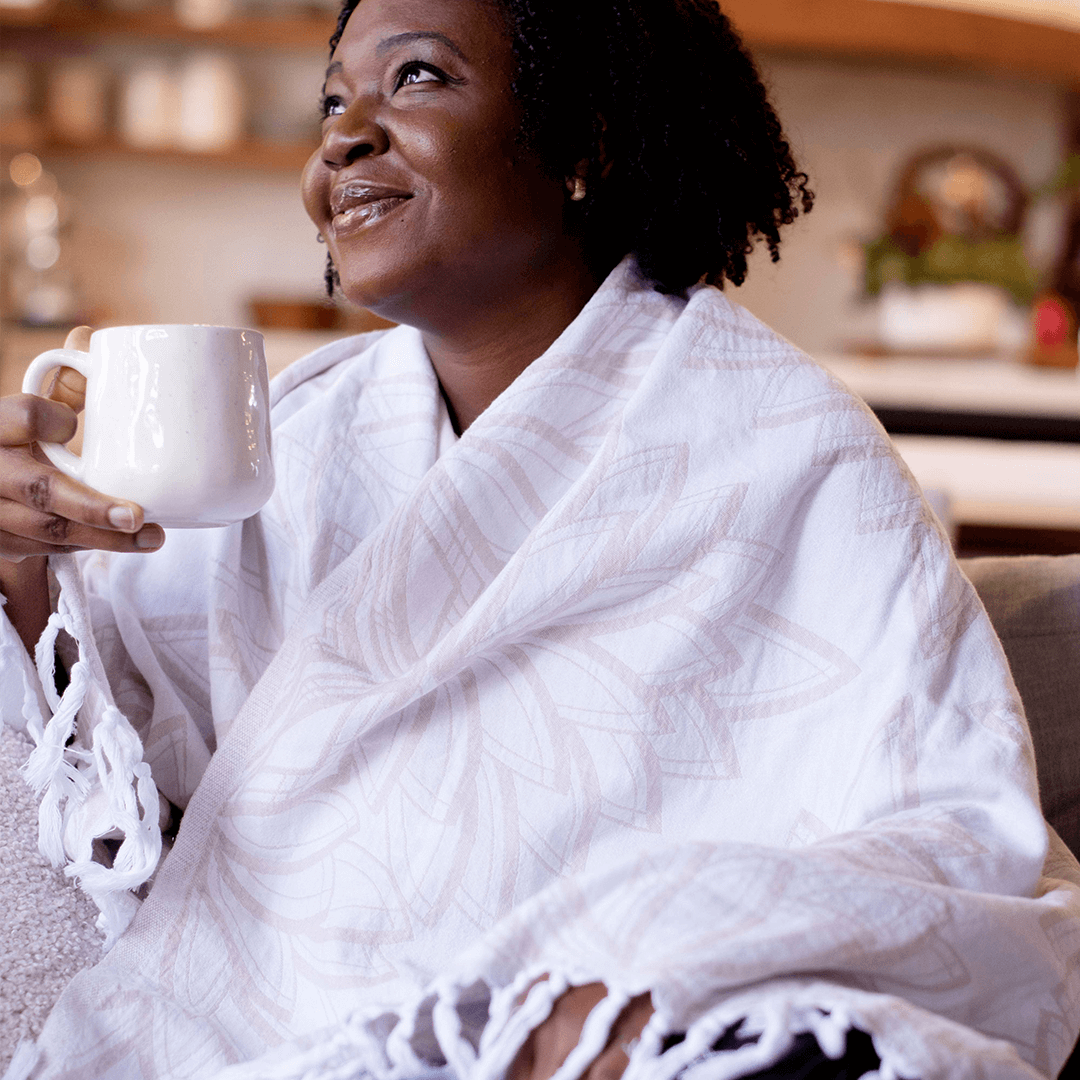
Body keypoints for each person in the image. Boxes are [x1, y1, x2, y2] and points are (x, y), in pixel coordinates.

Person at [1, 0, 1078, 1077]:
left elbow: (946, 825)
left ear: (582, 145)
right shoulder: (301, 433)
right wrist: (24, 564)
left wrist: (640, 977)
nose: (345, 135)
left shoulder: (785, 441)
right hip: (276, 1035)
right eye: (333, 100)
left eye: (417, 77)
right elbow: (122, 754)